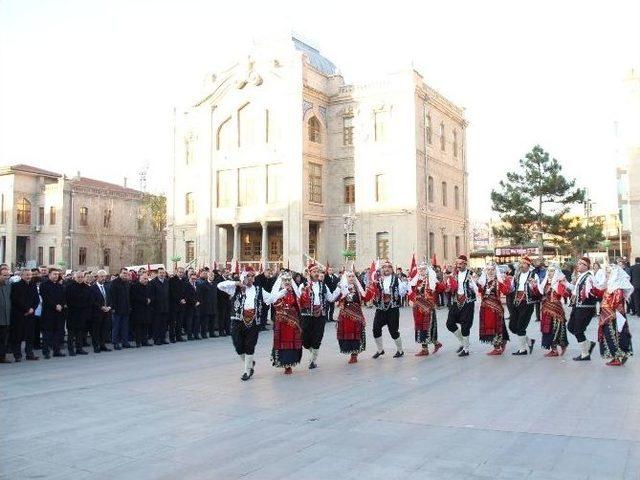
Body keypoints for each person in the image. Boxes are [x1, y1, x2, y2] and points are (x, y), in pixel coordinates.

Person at [218, 267, 282, 381]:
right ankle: (250, 363)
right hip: (237, 320)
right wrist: (236, 282)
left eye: (253, 276)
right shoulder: (235, 288)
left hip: (253, 321)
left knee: (249, 345)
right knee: (238, 346)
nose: (251, 278)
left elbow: (271, 298)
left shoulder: (258, 289)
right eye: (248, 276)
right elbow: (220, 286)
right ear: (243, 277)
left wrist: (285, 291)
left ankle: (247, 371)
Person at [298, 264, 340, 369]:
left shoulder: (323, 285)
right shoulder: (303, 285)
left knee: (317, 337)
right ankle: (312, 351)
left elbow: (330, 298)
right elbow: (299, 299)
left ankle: (312, 361)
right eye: (314, 271)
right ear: (310, 273)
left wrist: (339, 289)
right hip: (306, 315)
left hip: (320, 315)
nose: (316, 273)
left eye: (318, 271)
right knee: (304, 339)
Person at [369, 260, 410, 359]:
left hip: (393, 308)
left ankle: (400, 350)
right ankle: (380, 350)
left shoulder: (397, 279)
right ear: (381, 269)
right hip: (381, 308)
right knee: (375, 329)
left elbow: (402, 293)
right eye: (384, 267)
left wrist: (404, 286)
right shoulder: (378, 280)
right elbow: (373, 291)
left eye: (388, 267)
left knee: (393, 331)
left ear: (392, 269)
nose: (386, 269)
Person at [566, 257, 603, 361]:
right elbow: (576, 290)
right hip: (577, 307)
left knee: (578, 330)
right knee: (570, 327)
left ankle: (585, 354)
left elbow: (596, 291)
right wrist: (566, 283)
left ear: (587, 266)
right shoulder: (581, 276)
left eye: (582, 264)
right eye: (578, 263)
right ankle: (588, 344)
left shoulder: (589, 277)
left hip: (585, 308)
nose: (579, 265)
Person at [597, 264, 634, 366]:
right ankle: (617, 356)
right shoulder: (610, 286)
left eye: (609, 272)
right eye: (606, 272)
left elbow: (616, 303)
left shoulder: (617, 288)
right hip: (607, 315)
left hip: (613, 317)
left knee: (613, 336)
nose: (607, 275)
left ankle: (618, 356)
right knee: (609, 336)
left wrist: (609, 310)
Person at [408, 262, 444, 357]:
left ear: (427, 270)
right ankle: (435, 343)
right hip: (418, 307)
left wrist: (435, 281)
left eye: (423, 269)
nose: (421, 271)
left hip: (428, 307)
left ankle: (425, 349)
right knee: (420, 326)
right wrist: (412, 299)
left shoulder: (431, 280)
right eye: (420, 269)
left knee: (428, 327)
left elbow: (440, 288)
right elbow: (411, 291)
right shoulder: (417, 280)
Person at [335, 270, 372, 363]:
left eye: (352, 276)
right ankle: (350, 350)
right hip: (345, 315)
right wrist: (344, 291)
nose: (351, 278)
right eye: (349, 276)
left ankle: (354, 354)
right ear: (346, 278)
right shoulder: (342, 288)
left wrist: (370, 289)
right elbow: (337, 299)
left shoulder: (358, 288)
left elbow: (366, 298)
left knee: (357, 333)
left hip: (357, 314)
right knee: (347, 332)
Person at [270, 271, 303, 374]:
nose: (287, 282)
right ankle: (284, 363)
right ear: (281, 281)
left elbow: (299, 303)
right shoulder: (278, 291)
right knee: (282, 341)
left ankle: (290, 363)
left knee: (292, 341)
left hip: (293, 320)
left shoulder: (294, 292)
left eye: (289, 280)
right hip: (281, 320)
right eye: (285, 280)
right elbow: (273, 301)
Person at [445, 255, 478, 357]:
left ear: (465, 264)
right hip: (456, 301)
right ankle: (464, 342)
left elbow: (476, 289)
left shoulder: (471, 274)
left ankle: (466, 349)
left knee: (465, 325)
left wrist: (473, 282)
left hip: (468, 302)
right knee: (450, 324)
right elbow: (449, 287)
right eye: (457, 264)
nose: (458, 266)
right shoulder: (454, 274)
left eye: (460, 264)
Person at [508, 256, 540, 356]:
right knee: (512, 326)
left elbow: (538, 290)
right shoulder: (517, 274)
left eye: (523, 263)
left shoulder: (534, 275)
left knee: (521, 326)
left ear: (528, 265)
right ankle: (529, 341)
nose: (521, 265)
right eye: (520, 263)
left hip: (527, 303)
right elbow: (512, 288)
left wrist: (533, 286)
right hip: (516, 302)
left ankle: (523, 350)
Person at [476, 263, 511, 355]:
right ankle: (501, 342)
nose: (490, 271)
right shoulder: (483, 281)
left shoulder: (498, 281)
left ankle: (497, 347)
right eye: (488, 270)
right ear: (486, 271)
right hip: (485, 307)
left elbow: (506, 291)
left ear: (495, 271)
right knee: (489, 326)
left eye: (492, 270)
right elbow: (479, 290)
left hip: (496, 308)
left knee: (497, 326)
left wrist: (506, 281)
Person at [539, 264, 570, 357]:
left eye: (552, 271)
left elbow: (564, 294)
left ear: (556, 272)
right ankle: (553, 349)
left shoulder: (559, 283)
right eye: (549, 271)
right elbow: (540, 292)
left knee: (556, 329)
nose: (550, 273)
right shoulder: (546, 283)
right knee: (547, 329)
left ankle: (562, 345)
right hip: (546, 308)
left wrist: (563, 283)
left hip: (556, 309)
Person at [10, 269, 40, 361]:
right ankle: (17, 355)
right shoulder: (16, 285)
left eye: (30, 275)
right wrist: (26, 309)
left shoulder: (33, 285)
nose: (29, 277)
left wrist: (32, 309)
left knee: (30, 335)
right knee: (18, 336)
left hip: (31, 314)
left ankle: (29, 354)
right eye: (27, 275)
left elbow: (36, 299)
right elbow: (15, 300)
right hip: (19, 314)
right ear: (21, 275)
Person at [40, 269, 67, 358]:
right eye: (54, 274)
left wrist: (61, 305)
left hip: (59, 313)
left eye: (57, 274)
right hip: (48, 313)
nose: (56, 276)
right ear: (49, 275)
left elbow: (64, 297)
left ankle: (56, 351)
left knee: (58, 332)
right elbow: (46, 298)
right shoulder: (44, 285)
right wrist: (55, 306)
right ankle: (46, 352)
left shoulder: (60, 286)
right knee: (47, 333)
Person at [65, 271, 92, 356]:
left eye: (81, 277)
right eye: (78, 277)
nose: (80, 279)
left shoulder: (87, 287)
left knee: (80, 332)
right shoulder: (69, 287)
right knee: (71, 333)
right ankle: (71, 349)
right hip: (72, 313)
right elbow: (67, 300)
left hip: (82, 313)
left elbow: (89, 299)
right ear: (74, 278)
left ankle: (79, 348)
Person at [110, 268, 132, 349]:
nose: (125, 275)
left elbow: (128, 296)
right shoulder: (114, 283)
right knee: (116, 327)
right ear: (120, 273)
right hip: (117, 309)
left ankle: (125, 342)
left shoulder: (127, 283)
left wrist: (129, 306)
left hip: (125, 309)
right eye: (124, 273)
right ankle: (115, 343)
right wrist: (113, 307)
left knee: (125, 327)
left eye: (126, 273)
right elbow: (111, 296)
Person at [148, 267, 170, 345]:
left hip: (165, 307)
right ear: (157, 273)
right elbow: (151, 296)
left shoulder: (167, 282)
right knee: (157, 324)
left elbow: (168, 294)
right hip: (156, 308)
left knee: (164, 324)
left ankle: (163, 338)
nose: (162, 274)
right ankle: (156, 339)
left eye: (163, 273)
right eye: (160, 272)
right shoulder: (153, 282)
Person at [131, 272, 153, 347]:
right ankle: (138, 342)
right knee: (138, 327)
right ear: (140, 278)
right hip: (138, 310)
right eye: (144, 278)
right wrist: (145, 300)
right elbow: (134, 297)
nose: (146, 280)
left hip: (146, 310)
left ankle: (145, 341)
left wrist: (150, 299)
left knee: (145, 326)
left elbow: (151, 295)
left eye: (147, 278)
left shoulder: (148, 286)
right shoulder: (135, 286)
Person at [169, 267, 187, 342]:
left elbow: (186, 291)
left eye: (182, 272)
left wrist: (184, 299)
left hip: (182, 305)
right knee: (173, 322)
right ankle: (172, 337)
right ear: (176, 272)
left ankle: (179, 336)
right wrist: (180, 299)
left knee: (180, 322)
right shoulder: (172, 280)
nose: (181, 274)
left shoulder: (184, 280)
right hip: (174, 304)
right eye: (180, 272)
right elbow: (172, 292)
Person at [196, 269, 215, 338]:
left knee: (212, 320)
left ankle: (212, 333)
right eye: (210, 275)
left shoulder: (215, 284)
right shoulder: (203, 284)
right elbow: (200, 295)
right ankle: (203, 333)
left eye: (213, 276)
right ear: (207, 276)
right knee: (205, 321)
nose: (212, 277)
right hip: (205, 305)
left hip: (213, 305)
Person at [183, 271, 200, 340]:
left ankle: (196, 334)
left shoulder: (197, 285)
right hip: (189, 306)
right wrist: (194, 302)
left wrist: (198, 301)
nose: (194, 280)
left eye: (195, 279)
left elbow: (199, 294)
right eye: (192, 279)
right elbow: (187, 296)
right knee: (189, 321)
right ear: (189, 278)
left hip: (197, 306)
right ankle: (189, 335)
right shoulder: (186, 285)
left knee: (196, 321)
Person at [0, 267, 12, 363]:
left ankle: (2, 357)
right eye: (4, 275)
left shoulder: (9, 286)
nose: (6, 277)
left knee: (3, 339)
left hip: (6, 318)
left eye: (8, 275)